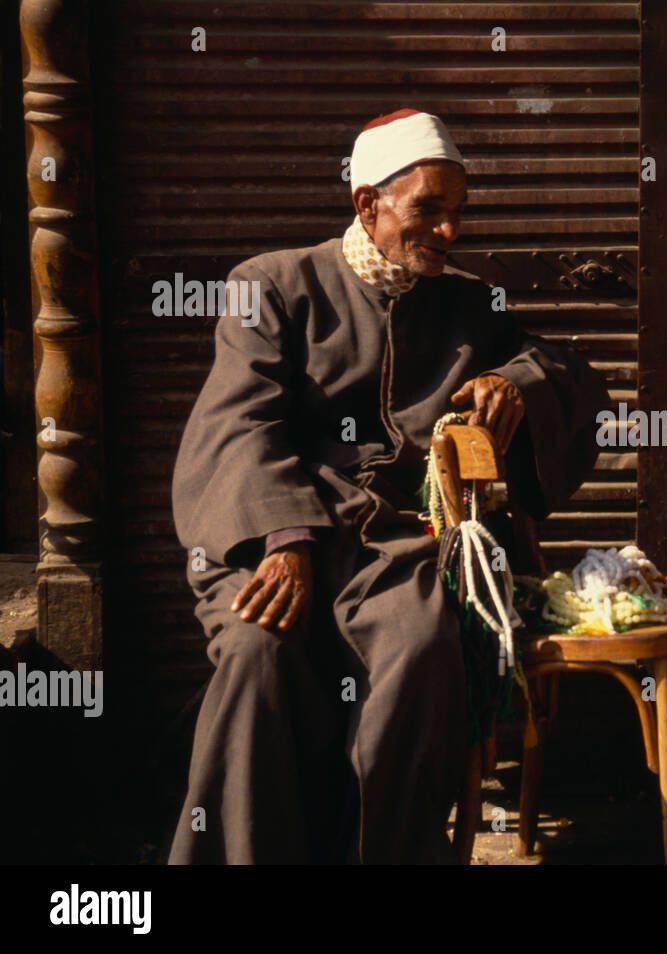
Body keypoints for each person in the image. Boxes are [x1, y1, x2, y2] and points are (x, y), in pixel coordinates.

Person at [168, 109, 609, 863]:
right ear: (366, 204)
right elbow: (240, 423)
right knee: (256, 654)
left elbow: (569, 371)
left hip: (401, 550)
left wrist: (514, 379)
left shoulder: (469, 301)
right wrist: (285, 540)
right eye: (428, 210)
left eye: (458, 213)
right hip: (276, 537)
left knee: (420, 647)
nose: (448, 231)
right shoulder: (272, 285)